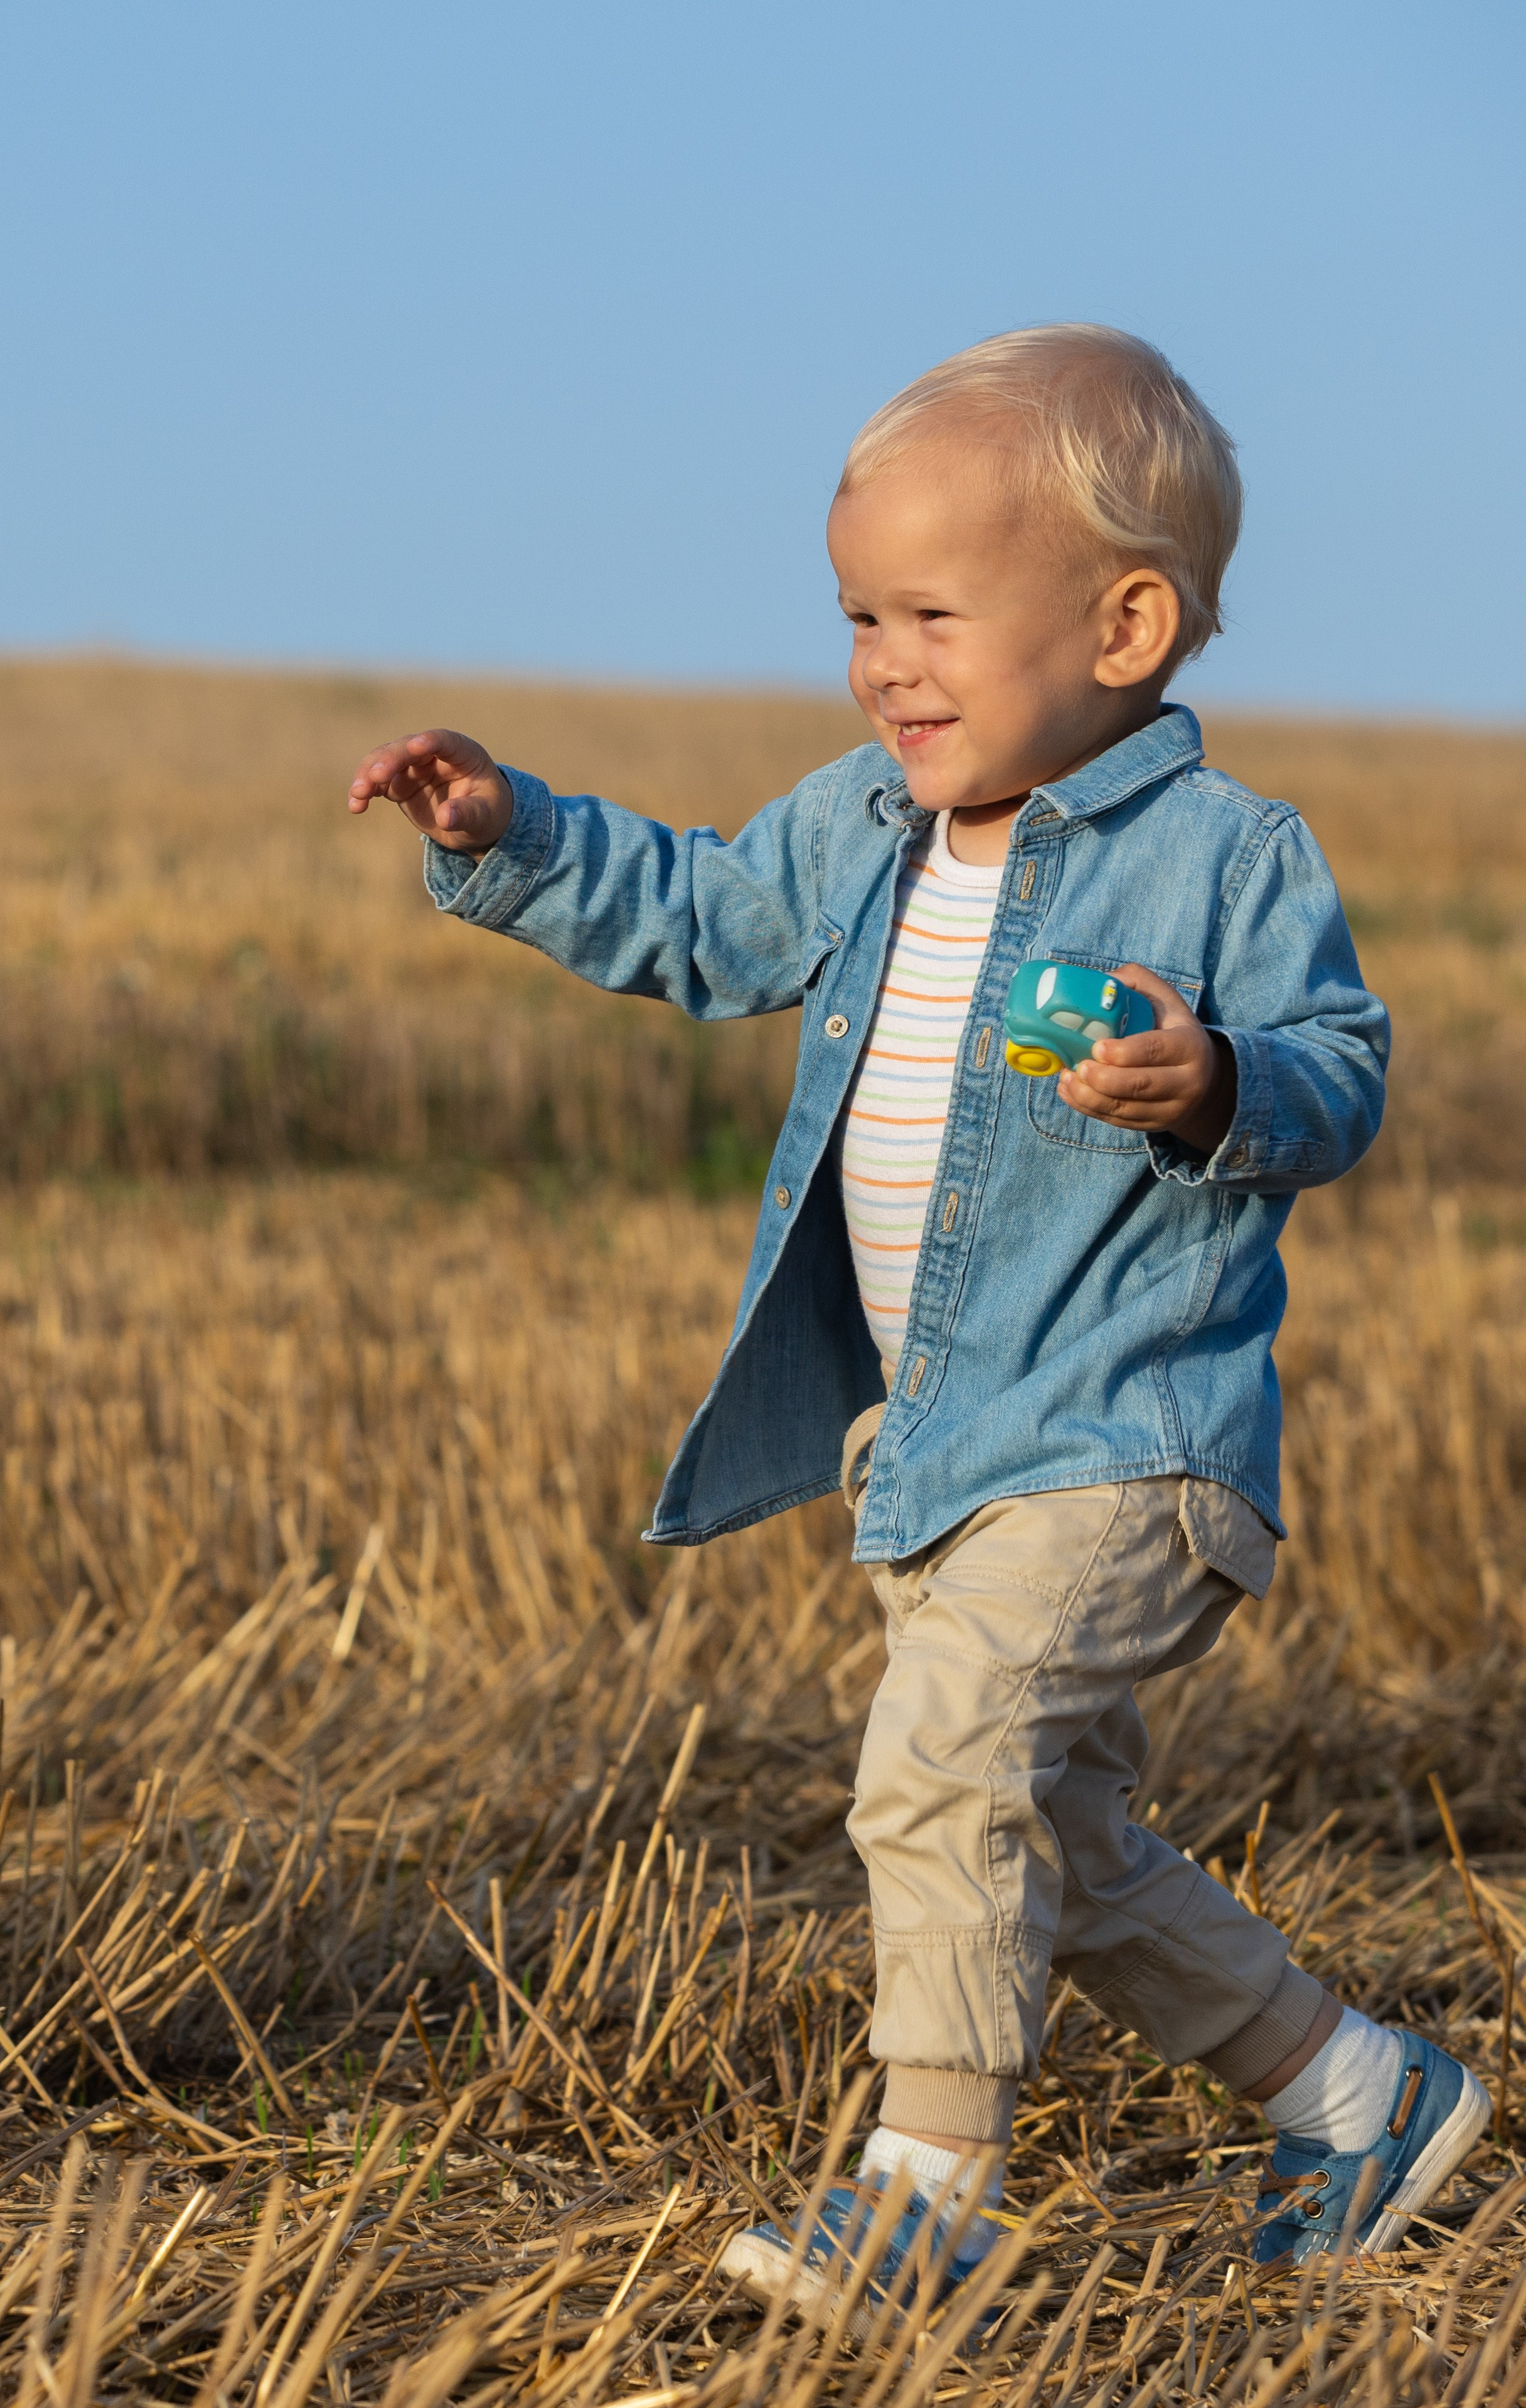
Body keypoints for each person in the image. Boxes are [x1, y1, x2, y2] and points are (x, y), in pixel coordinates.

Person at [346, 326, 1486, 2311]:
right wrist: (512, 838)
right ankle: (1355, 2093)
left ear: (1126, 625)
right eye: (860, 618)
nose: (886, 665)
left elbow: (1343, 1072)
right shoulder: (861, 830)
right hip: (941, 1450)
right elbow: (699, 918)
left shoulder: (1226, 857)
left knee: (939, 1766)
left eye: (934, 616)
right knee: (1048, 1836)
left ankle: (930, 2193)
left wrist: (1216, 1077)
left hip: (1125, 1444)